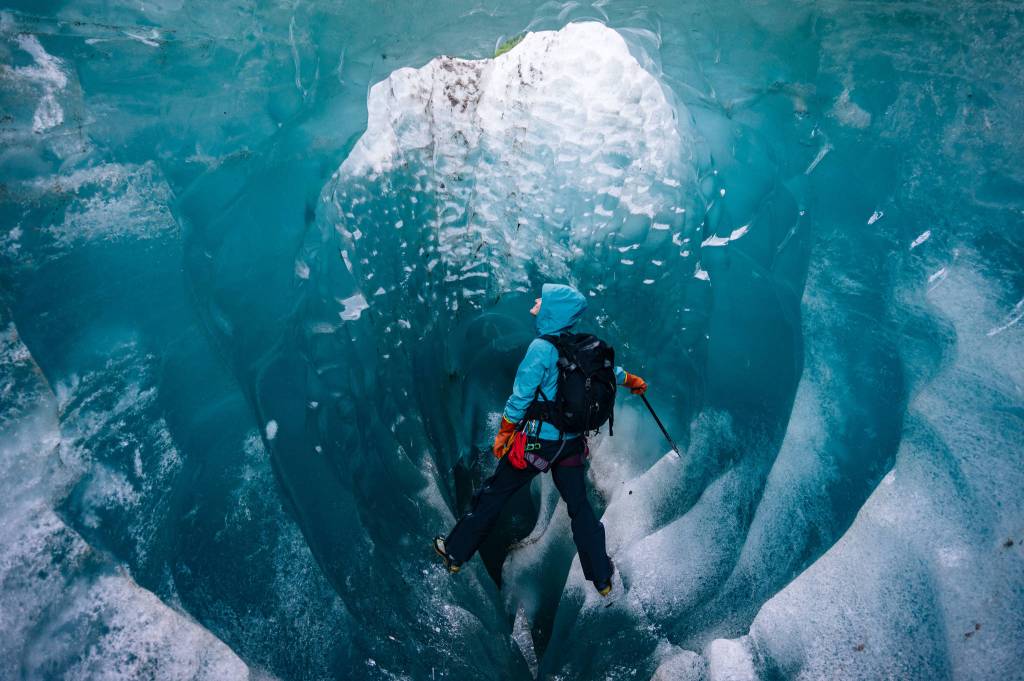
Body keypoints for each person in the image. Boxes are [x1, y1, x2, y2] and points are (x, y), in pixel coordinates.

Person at [433, 283, 647, 596]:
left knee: (493, 495)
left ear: (553, 311)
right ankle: (602, 577)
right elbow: (610, 372)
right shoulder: (579, 346)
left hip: (537, 444)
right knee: (580, 508)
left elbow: (520, 398)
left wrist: (504, 433)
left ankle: (454, 553)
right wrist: (634, 381)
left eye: (542, 299)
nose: (536, 301)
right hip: (570, 445)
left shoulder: (541, 349)